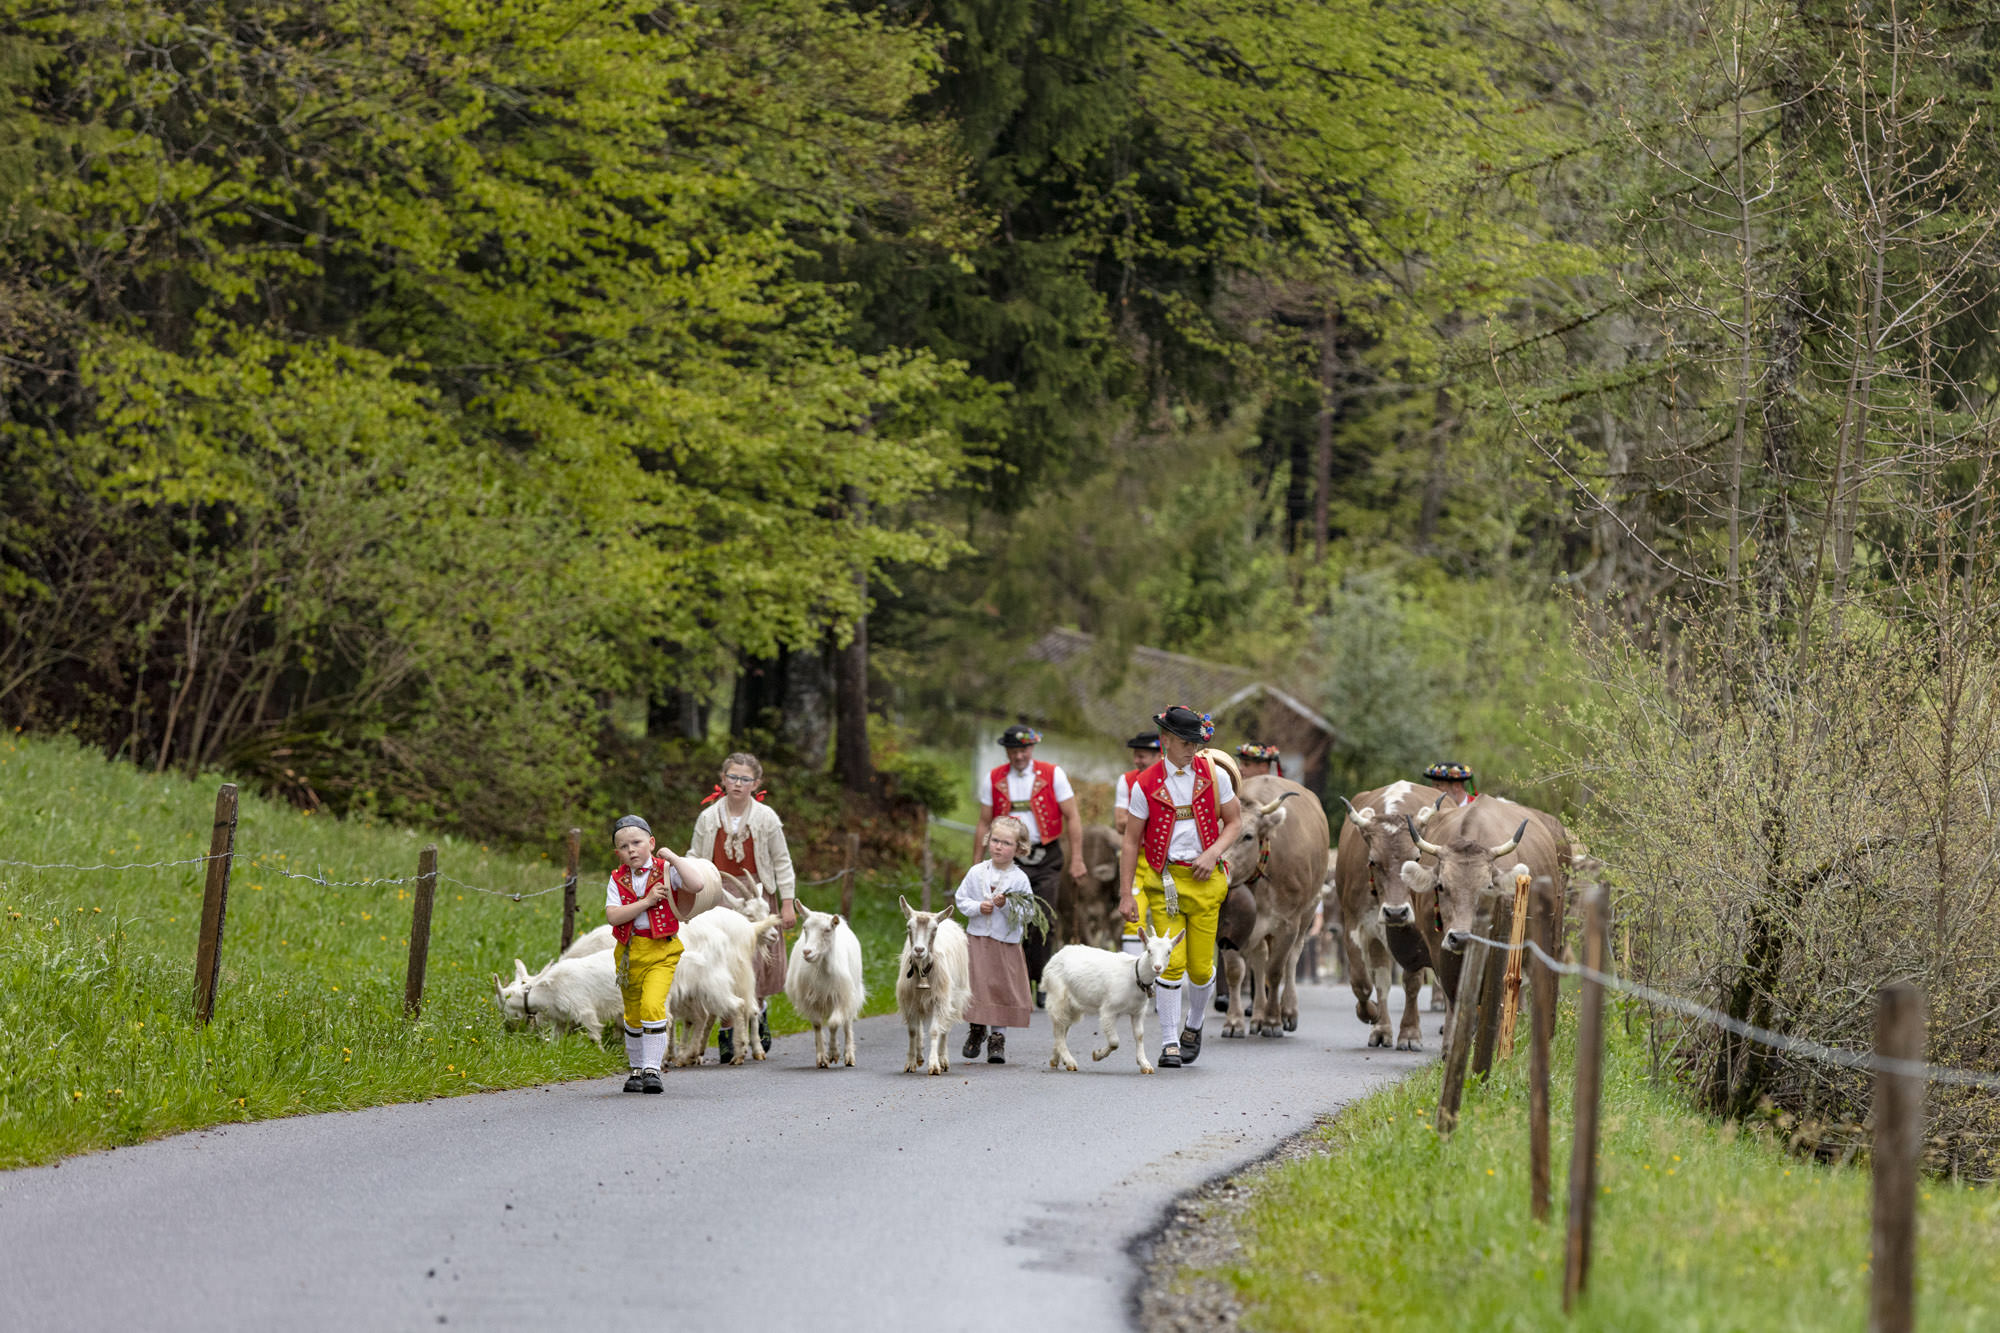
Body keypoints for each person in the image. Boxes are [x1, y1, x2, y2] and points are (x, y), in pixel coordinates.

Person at [1116, 705, 1244, 1068]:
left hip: (1206, 881)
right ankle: (1170, 1041)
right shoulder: (1145, 784)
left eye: (1196, 742)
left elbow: (1235, 822)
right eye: (1186, 742)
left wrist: (1213, 853)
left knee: (1201, 969)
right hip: (1164, 882)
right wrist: (1126, 894)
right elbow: (1131, 841)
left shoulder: (1215, 776)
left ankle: (1194, 1024)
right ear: (1166, 740)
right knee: (1169, 964)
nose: (1192, 749)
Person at [686, 751, 798, 1062]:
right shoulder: (709, 818)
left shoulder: (766, 818)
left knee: (756, 960)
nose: (738, 783)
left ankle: (757, 1011)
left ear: (756, 783)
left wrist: (787, 903)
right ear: (723, 780)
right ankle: (727, 1030)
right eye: (733, 777)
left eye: (745, 779)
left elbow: (782, 861)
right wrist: (686, 885)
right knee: (724, 961)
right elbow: (695, 856)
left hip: (757, 896)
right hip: (719, 897)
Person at [973, 724, 1085, 995]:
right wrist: (977, 863)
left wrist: (1077, 859)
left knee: (1043, 918)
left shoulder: (1052, 774)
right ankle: (1018, 982)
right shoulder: (994, 778)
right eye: (1013, 751)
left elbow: (1072, 816)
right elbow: (984, 822)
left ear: (1032, 748)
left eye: (1024, 750)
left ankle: (1043, 982)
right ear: (1007, 751)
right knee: (1011, 918)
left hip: (1047, 857)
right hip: (1009, 858)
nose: (1019, 756)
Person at [604, 815, 705, 1093]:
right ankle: (636, 1069)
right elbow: (614, 916)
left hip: (661, 950)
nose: (631, 850)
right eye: (624, 847)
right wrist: (647, 901)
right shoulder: (617, 878)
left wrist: (672, 857)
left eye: (637, 843)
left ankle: (652, 1069)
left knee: (652, 1004)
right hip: (629, 953)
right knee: (633, 1012)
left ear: (651, 843)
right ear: (617, 853)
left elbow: (696, 884)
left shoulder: (666, 870)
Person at [956, 816, 1036, 1064]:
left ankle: (997, 1038)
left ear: (1019, 848)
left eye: (1006, 843)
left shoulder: (1019, 879)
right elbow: (961, 899)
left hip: (1005, 943)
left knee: (1001, 987)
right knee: (977, 985)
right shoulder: (976, 872)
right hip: (978, 940)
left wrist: (1006, 905)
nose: (999, 847)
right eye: (995, 840)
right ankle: (976, 1028)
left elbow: (1028, 912)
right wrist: (978, 907)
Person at [1114, 731, 1161, 956]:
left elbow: (1127, 820)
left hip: (1166, 860)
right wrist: (1154, 819)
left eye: (1141, 756)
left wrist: (1137, 820)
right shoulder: (1126, 780)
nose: (1136, 761)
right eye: (1135, 755)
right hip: (1139, 859)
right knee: (1133, 917)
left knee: (1170, 918)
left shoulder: (1173, 779)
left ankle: (1171, 971)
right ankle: (1132, 970)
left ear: (1158, 755)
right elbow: (1120, 823)